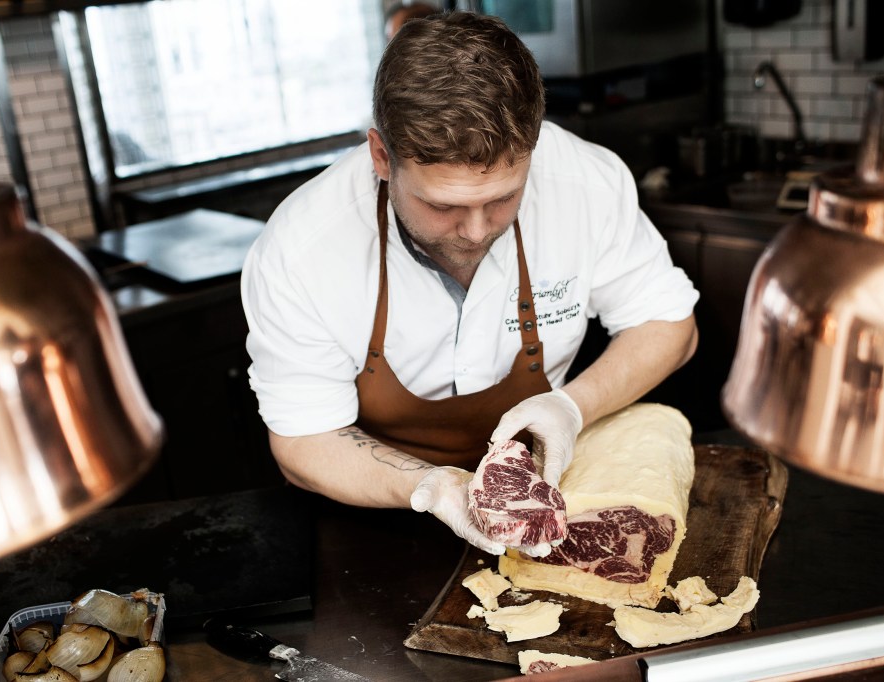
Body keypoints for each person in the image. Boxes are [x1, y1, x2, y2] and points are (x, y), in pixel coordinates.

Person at [241, 11, 698, 559]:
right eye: (443, 205)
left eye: (504, 198)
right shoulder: (303, 248)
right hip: (374, 523)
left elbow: (669, 324)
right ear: (382, 156)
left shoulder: (586, 183)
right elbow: (303, 440)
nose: (477, 231)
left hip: (542, 513)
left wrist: (571, 408)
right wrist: (432, 487)